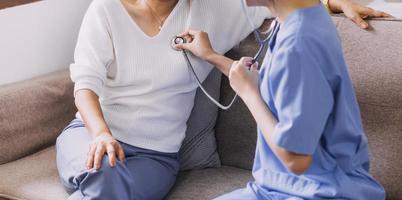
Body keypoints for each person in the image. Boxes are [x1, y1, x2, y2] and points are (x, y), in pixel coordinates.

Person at [56, 0, 389, 199]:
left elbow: (280, 6)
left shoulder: (216, 9)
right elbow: (85, 83)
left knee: (106, 176)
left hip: (155, 156)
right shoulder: (105, 9)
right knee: (98, 164)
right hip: (93, 132)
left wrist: (331, 3)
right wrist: (101, 134)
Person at [175, 0, 386, 199]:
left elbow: (296, 159)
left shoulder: (299, 44)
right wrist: (211, 56)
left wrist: (249, 95)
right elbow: (277, 85)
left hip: (320, 192)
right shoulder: (298, 20)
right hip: (282, 188)